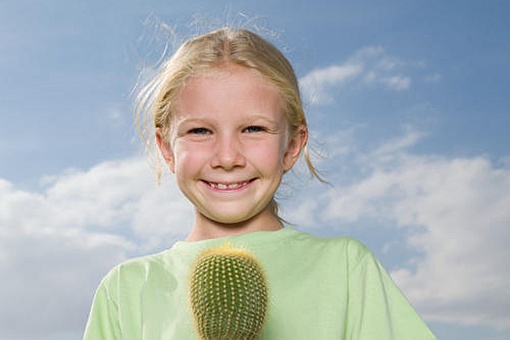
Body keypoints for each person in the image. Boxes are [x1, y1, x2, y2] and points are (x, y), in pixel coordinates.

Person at [83, 27, 437, 339]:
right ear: (166, 148)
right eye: (200, 131)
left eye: (253, 129)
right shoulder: (126, 289)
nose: (227, 157)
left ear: (293, 145)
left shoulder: (345, 268)